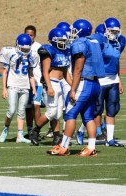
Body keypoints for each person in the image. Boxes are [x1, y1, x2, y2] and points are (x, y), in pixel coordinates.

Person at [48, 19, 105, 156]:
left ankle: (64, 146)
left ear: (80, 31)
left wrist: (73, 89)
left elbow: (78, 69)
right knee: (88, 116)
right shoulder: (95, 42)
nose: (71, 33)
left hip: (84, 83)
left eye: (74, 31)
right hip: (95, 84)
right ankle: (91, 148)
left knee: (70, 114)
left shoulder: (80, 43)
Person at [77, 18, 125, 147]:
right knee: (96, 109)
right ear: (105, 29)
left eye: (116, 31)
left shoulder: (121, 41)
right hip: (101, 78)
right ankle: (81, 130)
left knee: (112, 109)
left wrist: (119, 79)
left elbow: (116, 60)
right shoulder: (99, 40)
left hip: (113, 78)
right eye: (111, 31)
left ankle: (110, 140)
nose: (114, 33)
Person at [29, 28, 72, 146]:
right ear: (54, 40)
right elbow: (45, 71)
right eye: (61, 40)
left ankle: (57, 136)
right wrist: (49, 87)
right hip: (51, 83)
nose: (63, 43)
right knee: (51, 112)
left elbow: (65, 72)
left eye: (64, 40)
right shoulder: (49, 51)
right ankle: (35, 131)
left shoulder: (65, 51)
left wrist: (73, 86)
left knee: (57, 114)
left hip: (60, 83)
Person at [0, 34, 37, 143]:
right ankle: (6, 128)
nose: (25, 51)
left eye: (27, 49)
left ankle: (19, 135)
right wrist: (4, 88)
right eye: (23, 48)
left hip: (25, 86)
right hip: (13, 85)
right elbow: (5, 72)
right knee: (11, 110)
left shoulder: (32, 55)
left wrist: (33, 88)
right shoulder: (10, 53)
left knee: (21, 112)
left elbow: (31, 73)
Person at [22, 25, 43, 140]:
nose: (29, 37)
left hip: (37, 81)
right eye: (27, 35)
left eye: (31, 35)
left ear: (34, 35)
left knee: (36, 106)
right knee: (27, 107)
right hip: (25, 81)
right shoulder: (20, 45)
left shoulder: (39, 47)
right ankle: (29, 130)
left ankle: (37, 131)